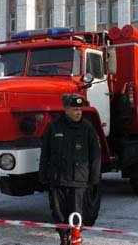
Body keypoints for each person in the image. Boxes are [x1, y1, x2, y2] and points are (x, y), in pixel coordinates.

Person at [39, 93, 102, 245]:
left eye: (80, 109)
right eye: (75, 109)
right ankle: (63, 237)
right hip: (58, 179)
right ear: (66, 109)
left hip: (78, 180)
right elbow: (45, 152)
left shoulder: (87, 128)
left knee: (76, 212)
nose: (78, 112)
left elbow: (96, 155)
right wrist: (42, 175)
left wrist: (94, 179)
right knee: (58, 212)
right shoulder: (54, 127)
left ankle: (75, 238)